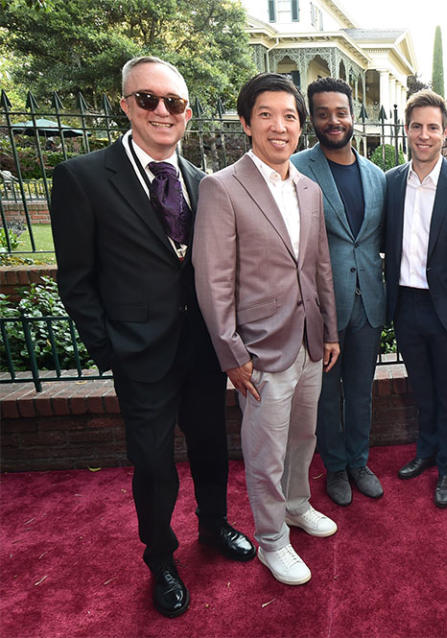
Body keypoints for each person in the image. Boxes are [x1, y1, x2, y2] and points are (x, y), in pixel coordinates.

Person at [50, 56, 254, 618]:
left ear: (188, 113)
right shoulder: (83, 177)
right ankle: (161, 559)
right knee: (155, 463)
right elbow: (76, 279)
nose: (163, 111)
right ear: (126, 104)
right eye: (149, 99)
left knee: (213, 448)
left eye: (175, 103)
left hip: (202, 351)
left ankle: (213, 526)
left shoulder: (201, 181)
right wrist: (110, 349)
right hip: (140, 357)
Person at [193, 73, 340, 585]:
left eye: (290, 116)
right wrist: (232, 353)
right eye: (267, 115)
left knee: (304, 435)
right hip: (259, 352)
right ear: (245, 122)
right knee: (264, 451)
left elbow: (319, 265)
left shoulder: (309, 188)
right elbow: (212, 280)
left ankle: (297, 505)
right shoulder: (221, 187)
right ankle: (272, 540)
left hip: (308, 343)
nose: (281, 126)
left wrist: (331, 330)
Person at [291, 77, 386, 507]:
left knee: (361, 390)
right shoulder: (296, 168)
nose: (334, 120)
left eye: (341, 112)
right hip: (322, 307)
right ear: (313, 117)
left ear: (353, 115)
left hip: (369, 303)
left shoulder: (376, 174)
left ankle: (359, 461)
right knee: (327, 396)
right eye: (324, 113)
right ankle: (334, 468)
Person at [384, 90, 447, 508]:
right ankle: (425, 451)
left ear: (445, 132)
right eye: (417, 126)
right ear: (406, 129)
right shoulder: (388, 184)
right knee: (421, 388)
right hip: (406, 304)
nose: (425, 135)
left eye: (433, 127)